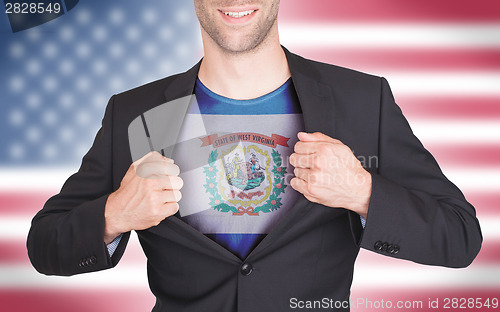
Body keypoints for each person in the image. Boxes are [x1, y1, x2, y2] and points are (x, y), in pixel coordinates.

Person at [27, 1, 482, 311]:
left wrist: (363, 191)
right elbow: (45, 245)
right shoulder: (137, 113)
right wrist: (114, 214)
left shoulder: (362, 100)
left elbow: (460, 236)